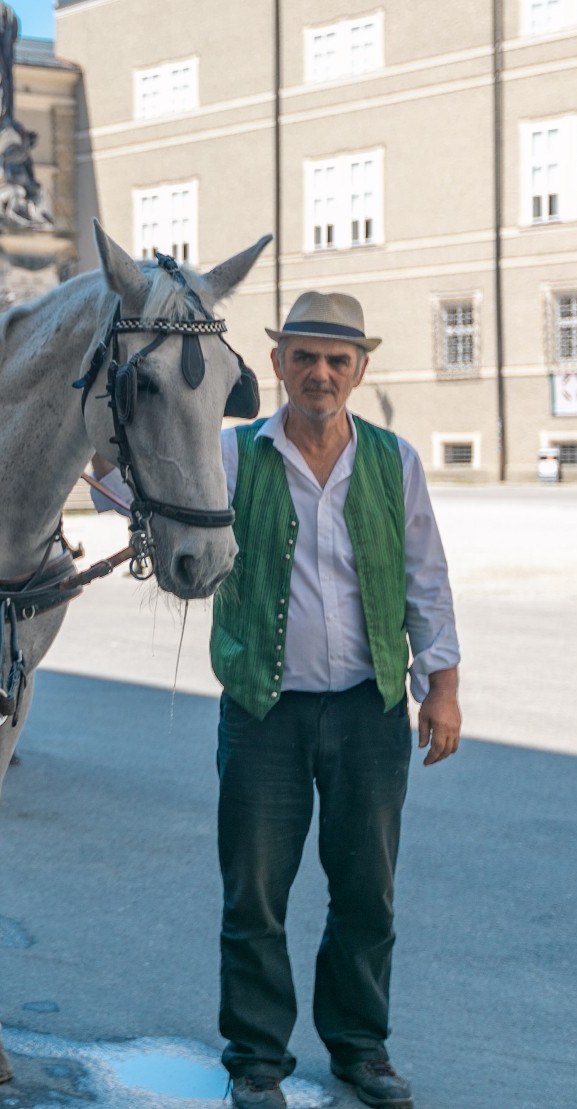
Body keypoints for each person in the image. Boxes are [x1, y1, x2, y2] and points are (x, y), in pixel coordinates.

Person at [214, 291, 462, 1109]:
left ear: (360, 370)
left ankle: (361, 1047)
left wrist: (443, 687)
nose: (320, 372)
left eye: (337, 359)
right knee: (255, 889)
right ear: (279, 362)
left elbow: (427, 577)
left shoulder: (395, 460)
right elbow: (137, 490)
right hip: (263, 709)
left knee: (366, 887)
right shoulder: (231, 453)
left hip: (369, 709)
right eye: (305, 356)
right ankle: (255, 1057)